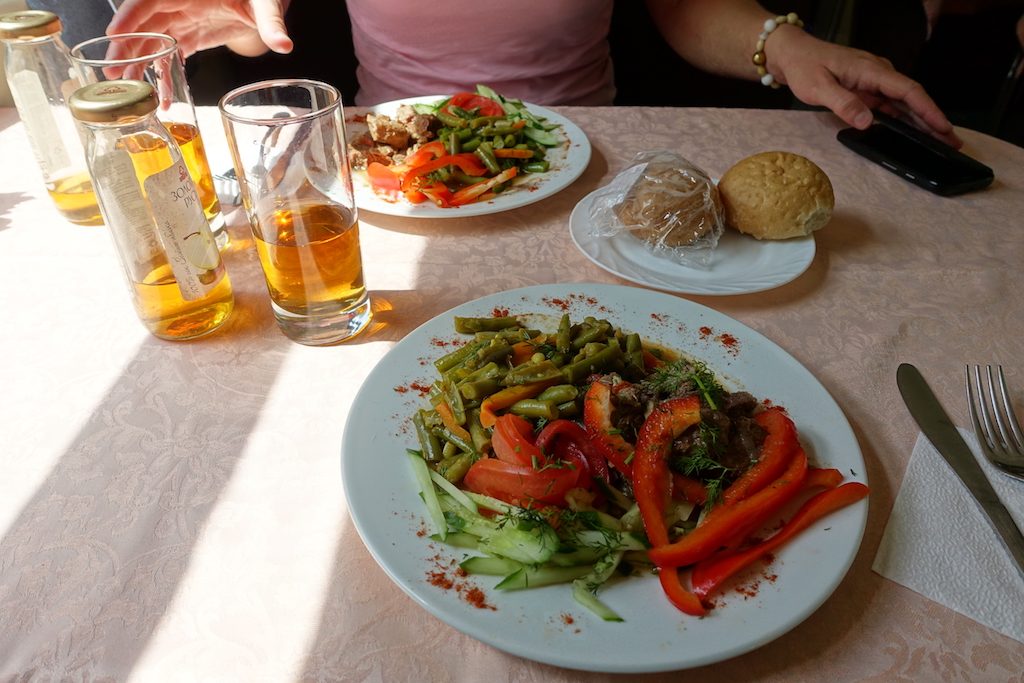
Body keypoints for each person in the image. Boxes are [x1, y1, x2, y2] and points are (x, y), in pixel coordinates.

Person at [106, 0, 963, 148]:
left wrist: (786, 46)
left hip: (589, 160)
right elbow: (263, 27)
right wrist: (232, 24)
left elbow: (677, 6)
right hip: (396, 166)